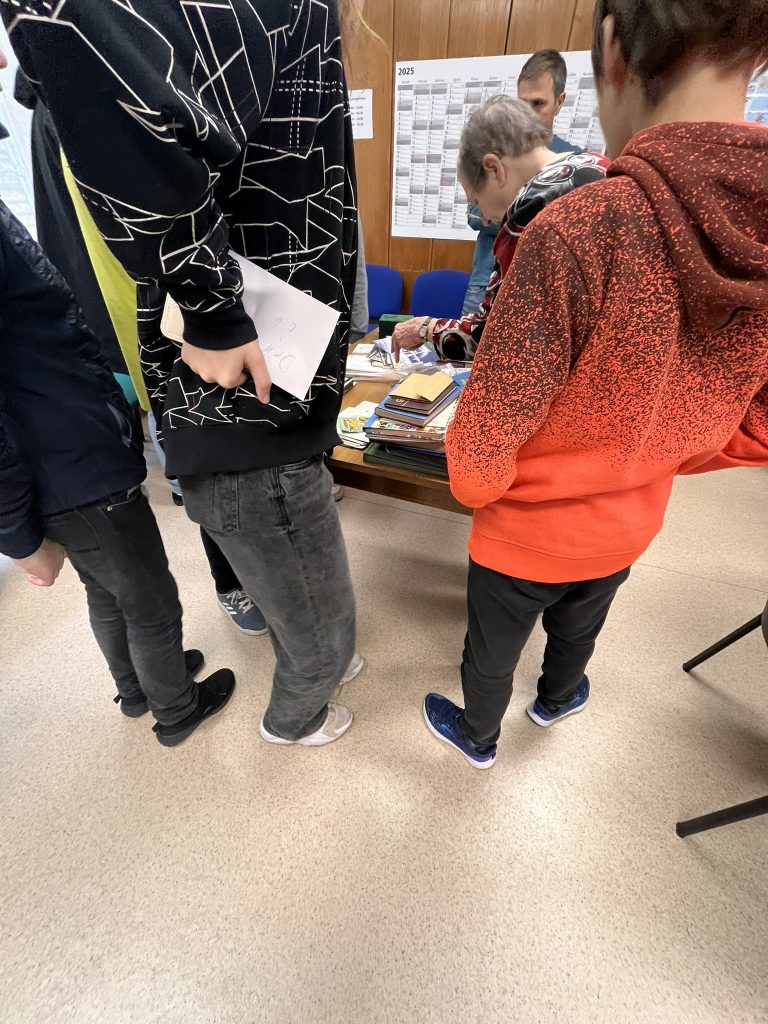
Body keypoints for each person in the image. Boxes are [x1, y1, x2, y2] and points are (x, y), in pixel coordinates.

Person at [3, 0, 364, 746]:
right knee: (316, 634)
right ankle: (295, 716)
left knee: (298, 593)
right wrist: (211, 310)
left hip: (254, 388)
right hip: (245, 401)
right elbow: (91, 51)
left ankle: (298, 653)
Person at [422, 0, 768, 769]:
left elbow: (478, 457)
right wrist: (651, 451)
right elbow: (757, 423)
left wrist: (499, 479)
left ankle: (479, 735)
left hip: (526, 532)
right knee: (581, 625)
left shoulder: (579, 227)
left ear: (612, 48)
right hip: (632, 519)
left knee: (492, 647)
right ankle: (558, 698)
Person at [0, 51, 235, 748]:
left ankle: (138, 688)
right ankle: (176, 709)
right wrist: (17, 537)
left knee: (107, 589)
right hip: (76, 465)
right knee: (151, 596)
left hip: (70, 453)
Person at [394, 97, 609, 362]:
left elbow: (490, 339)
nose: (484, 218)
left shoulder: (532, 207)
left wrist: (425, 328)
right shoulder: (598, 166)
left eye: (476, 200)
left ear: (494, 168)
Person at [461, 49, 577, 317]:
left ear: (559, 102)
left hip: (537, 296)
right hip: (487, 280)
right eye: (521, 104)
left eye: (537, 104)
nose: (527, 116)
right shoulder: (496, 151)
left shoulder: (575, 169)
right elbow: (476, 215)